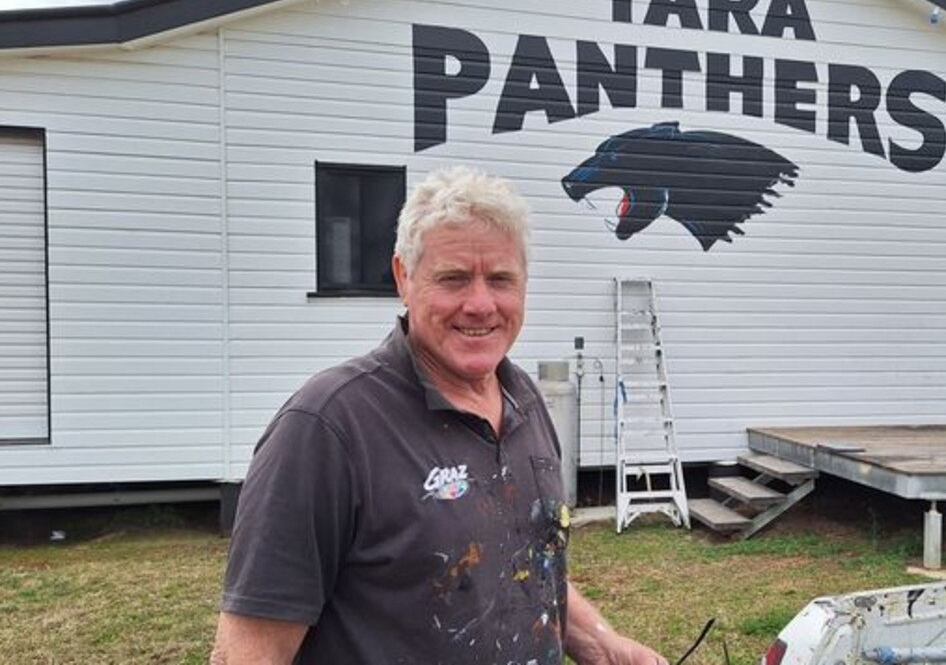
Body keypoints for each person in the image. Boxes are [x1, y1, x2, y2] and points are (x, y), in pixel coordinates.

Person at [211, 166, 667, 665]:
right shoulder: (329, 427)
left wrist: (605, 646)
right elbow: (250, 651)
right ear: (404, 278)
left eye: (500, 279)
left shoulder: (526, 403)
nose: (480, 304)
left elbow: (522, 564)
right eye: (453, 279)